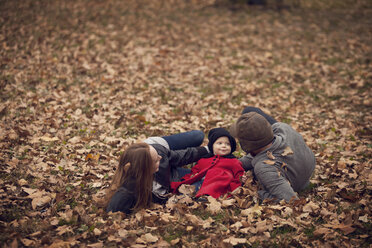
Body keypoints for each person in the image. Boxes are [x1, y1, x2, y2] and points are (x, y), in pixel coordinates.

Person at [105, 130, 209, 214]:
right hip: (168, 175)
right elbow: (113, 211)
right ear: (144, 169)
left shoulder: (159, 154)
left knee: (198, 136)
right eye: (156, 160)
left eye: (158, 157)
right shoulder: (130, 191)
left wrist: (208, 149)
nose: (160, 158)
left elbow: (180, 156)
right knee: (205, 178)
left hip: (157, 146)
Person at [230, 106, 316, 202]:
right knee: (248, 110)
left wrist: (255, 192)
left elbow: (291, 200)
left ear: (245, 146)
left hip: (296, 182)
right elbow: (259, 154)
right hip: (305, 166)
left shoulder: (264, 168)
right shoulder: (282, 128)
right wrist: (233, 164)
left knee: (255, 173)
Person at [171, 128, 245, 199]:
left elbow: (238, 173)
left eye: (227, 144)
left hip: (220, 183)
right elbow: (196, 169)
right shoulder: (205, 159)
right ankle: (185, 196)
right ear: (212, 146)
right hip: (202, 181)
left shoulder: (233, 161)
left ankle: (205, 196)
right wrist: (193, 175)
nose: (224, 146)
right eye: (219, 143)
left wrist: (238, 183)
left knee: (212, 187)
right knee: (190, 188)